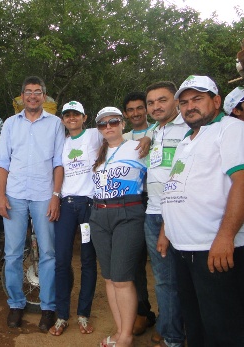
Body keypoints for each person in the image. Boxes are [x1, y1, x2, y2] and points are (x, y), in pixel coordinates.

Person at [162, 75, 244, 346]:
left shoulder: (230, 129)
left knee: (222, 330)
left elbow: (242, 181)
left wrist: (225, 236)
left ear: (216, 100)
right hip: (183, 248)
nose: (189, 106)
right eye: (184, 102)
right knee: (195, 324)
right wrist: (166, 229)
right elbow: (177, 186)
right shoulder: (188, 137)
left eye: (197, 99)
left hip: (214, 249)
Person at [0, 76, 65, 331]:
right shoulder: (11, 124)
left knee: (47, 253)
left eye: (38, 92)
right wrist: (0, 196)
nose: (33, 96)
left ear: (44, 97)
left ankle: (48, 307)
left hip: (44, 194)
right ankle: (16, 303)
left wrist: (56, 196)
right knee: (13, 253)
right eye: (28, 92)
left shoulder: (56, 124)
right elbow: (3, 161)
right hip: (14, 195)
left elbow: (59, 162)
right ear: (22, 96)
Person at [89, 107, 147, 347]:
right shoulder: (97, 152)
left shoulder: (139, 146)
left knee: (123, 279)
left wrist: (148, 136)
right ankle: (121, 330)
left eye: (113, 122)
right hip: (99, 215)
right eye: (102, 124)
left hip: (128, 212)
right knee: (110, 279)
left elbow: (161, 132)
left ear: (122, 123)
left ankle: (126, 337)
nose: (108, 126)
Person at [49, 101, 100, 336]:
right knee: (62, 260)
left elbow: (118, 134)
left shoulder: (94, 135)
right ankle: (61, 315)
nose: (72, 118)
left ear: (84, 116)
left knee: (88, 260)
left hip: (90, 205)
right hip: (67, 205)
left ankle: (83, 314)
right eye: (67, 115)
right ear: (63, 119)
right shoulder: (62, 143)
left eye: (76, 114)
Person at [144, 82, 188, 347]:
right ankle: (168, 327)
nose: (156, 106)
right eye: (151, 103)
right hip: (152, 213)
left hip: (178, 213)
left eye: (162, 100)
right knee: (163, 280)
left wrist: (167, 222)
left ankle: (173, 337)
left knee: (181, 279)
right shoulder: (154, 130)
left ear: (176, 101)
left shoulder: (190, 128)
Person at [122, 91, 156, 335]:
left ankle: (172, 319)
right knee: (134, 260)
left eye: (139, 108)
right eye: (130, 109)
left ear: (146, 109)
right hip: (131, 200)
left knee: (161, 261)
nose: (135, 113)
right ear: (125, 114)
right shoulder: (122, 138)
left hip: (155, 199)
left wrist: (150, 136)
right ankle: (143, 313)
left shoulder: (158, 131)